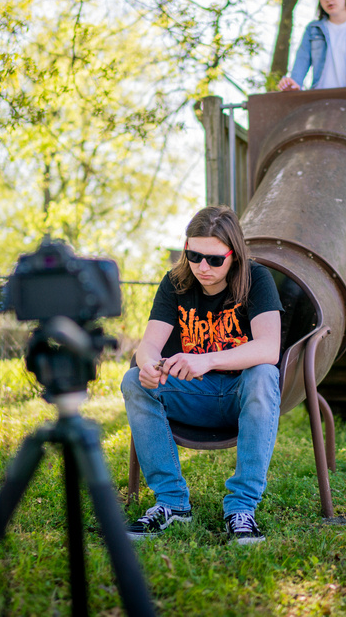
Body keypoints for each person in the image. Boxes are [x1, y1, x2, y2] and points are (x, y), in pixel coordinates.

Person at [120, 206, 282, 544]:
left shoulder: (257, 279)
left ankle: (242, 508)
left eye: (213, 259)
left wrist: (207, 360)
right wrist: (148, 364)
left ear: (234, 255)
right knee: (133, 379)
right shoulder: (176, 283)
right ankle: (172, 503)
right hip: (195, 396)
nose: (202, 267)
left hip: (243, 395)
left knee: (264, 373)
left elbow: (269, 349)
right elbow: (148, 345)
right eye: (194, 256)